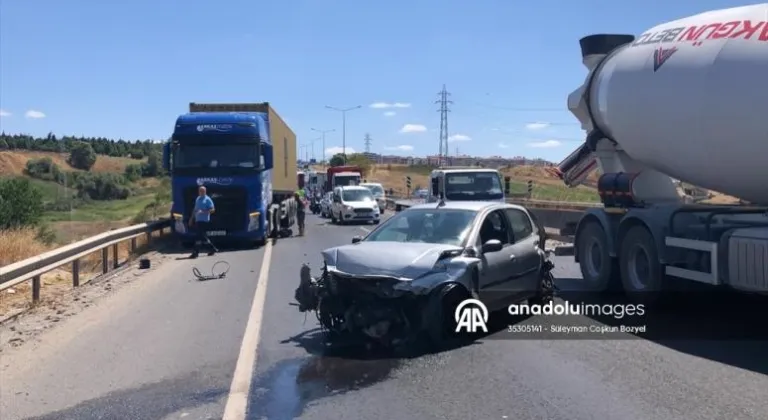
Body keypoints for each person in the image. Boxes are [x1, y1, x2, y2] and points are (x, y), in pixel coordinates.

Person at [188, 185, 217, 258]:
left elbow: (213, 210)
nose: (201, 192)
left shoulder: (207, 199)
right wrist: (191, 219)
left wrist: (203, 211)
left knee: (199, 236)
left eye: (202, 191)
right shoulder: (198, 199)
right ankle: (212, 249)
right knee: (201, 236)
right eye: (200, 191)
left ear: (205, 191)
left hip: (204, 220)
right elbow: (195, 209)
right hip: (198, 220)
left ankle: (196, 253)